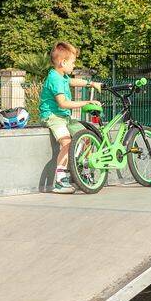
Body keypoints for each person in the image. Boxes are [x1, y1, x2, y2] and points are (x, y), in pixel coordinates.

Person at [39, 41, 102, 193]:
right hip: (53, 116)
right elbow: (63, 103)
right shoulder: (55, 79)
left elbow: (73, 81)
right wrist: (87, 102)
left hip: (65, 117)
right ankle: (60, 180)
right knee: (67, 143)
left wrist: (91, 83)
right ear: (63, 62)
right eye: (73, 62)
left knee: (87, 137)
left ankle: (84, 173)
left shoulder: (62, 76)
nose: (74, 66)